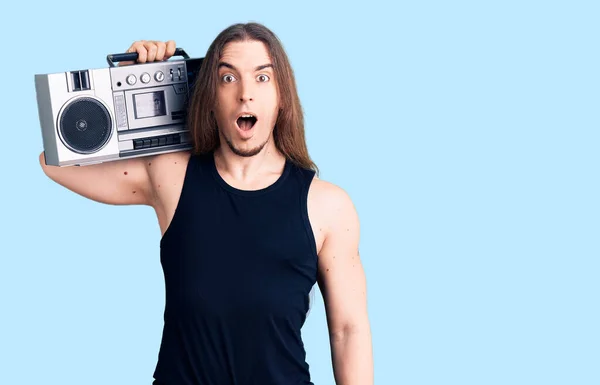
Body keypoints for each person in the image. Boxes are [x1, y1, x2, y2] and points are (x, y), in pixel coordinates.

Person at [39, 22, 373, 385]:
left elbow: (348, 330)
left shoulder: (328, 205)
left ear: (281, 96)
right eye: (228, 78)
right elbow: (52, 162)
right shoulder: (172, 176)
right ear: (210, 97)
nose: (245, 94)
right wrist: (125, 88)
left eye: (262, 78)